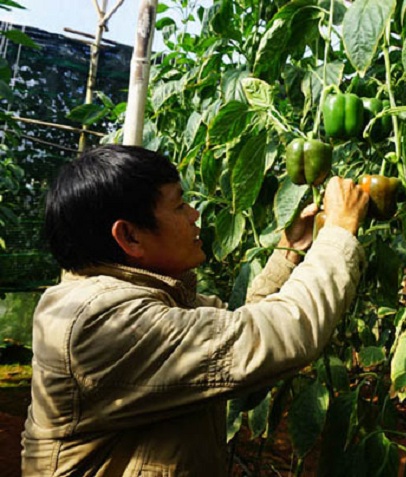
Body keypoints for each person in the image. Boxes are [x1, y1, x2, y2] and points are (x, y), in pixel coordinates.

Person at [21, 144, 368, 476]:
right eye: (179, 205)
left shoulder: (139, 298)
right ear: (130, 237)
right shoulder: (99, 320)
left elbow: (232, 335)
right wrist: (337, 233)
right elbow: (275, 337)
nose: (194, 214)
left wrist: (289, 252)